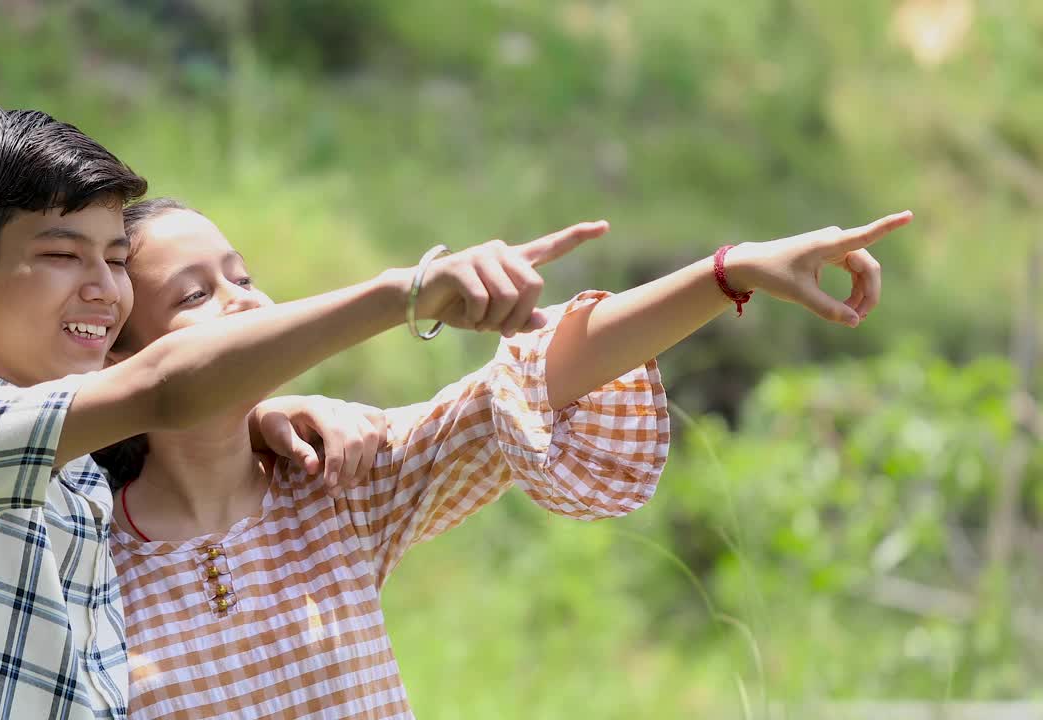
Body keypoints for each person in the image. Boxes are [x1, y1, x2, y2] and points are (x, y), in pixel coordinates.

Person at [0, 105, 605, 720]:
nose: (101, 289)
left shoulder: (79, 478)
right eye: (63, 257)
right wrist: (407, 292)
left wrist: (258, 412)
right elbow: (166, 387)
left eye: (114, 261)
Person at [95, 198, 913, 717]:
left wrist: (727, 272)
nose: (245, 302)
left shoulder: (336, 484)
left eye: (243, 276)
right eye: (195, 295)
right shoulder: (73, 551)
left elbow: (537, 380)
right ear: (123, 357)